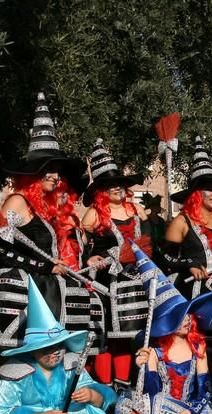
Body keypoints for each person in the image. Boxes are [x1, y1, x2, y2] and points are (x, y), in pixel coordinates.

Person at [0, 92, 90, 348]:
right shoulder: (17, 202)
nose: (56, 176)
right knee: (32, 357)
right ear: (33, 171)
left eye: (58, 170)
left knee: (58, 356)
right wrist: (44, 266)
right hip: (28, 295)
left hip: (52, 290)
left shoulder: (47, 206)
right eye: (49, 168)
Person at [0, 277, 116, 414]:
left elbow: (101, 398)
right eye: (46, 350)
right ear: (32, 352)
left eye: (58, 347)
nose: (54, 354)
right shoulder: (16, 372)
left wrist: (92, 395)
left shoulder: (70, 365)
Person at [116, 246, 212, 414]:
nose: (185, 321)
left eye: (188, 315)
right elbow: (151, 391)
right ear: (166, 322)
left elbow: (205, 388)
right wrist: (141, 366)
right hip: (160, 409)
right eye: (179, 316)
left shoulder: (198, 348)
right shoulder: (154, 351)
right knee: (144, 404)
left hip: (187, 406)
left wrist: (193, 409)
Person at [80, 139, 150, 390]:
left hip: (137, 281)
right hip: (107, 284)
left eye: (120, 184)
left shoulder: (138, 210)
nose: (118, 189)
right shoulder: (94, 215)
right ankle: (104, 387)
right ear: (101, 191)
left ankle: (123, 385)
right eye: (111, 185)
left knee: (129, 338)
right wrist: (86, 259)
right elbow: (78, 244)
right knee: (107, 337)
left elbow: (150, 241)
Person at [162, 136, 212, 365]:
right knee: (196, 348)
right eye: (209, 189)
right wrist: (189, 265)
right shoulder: (182, 221)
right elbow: (162, 257)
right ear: (196, 194)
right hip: (191, 295)